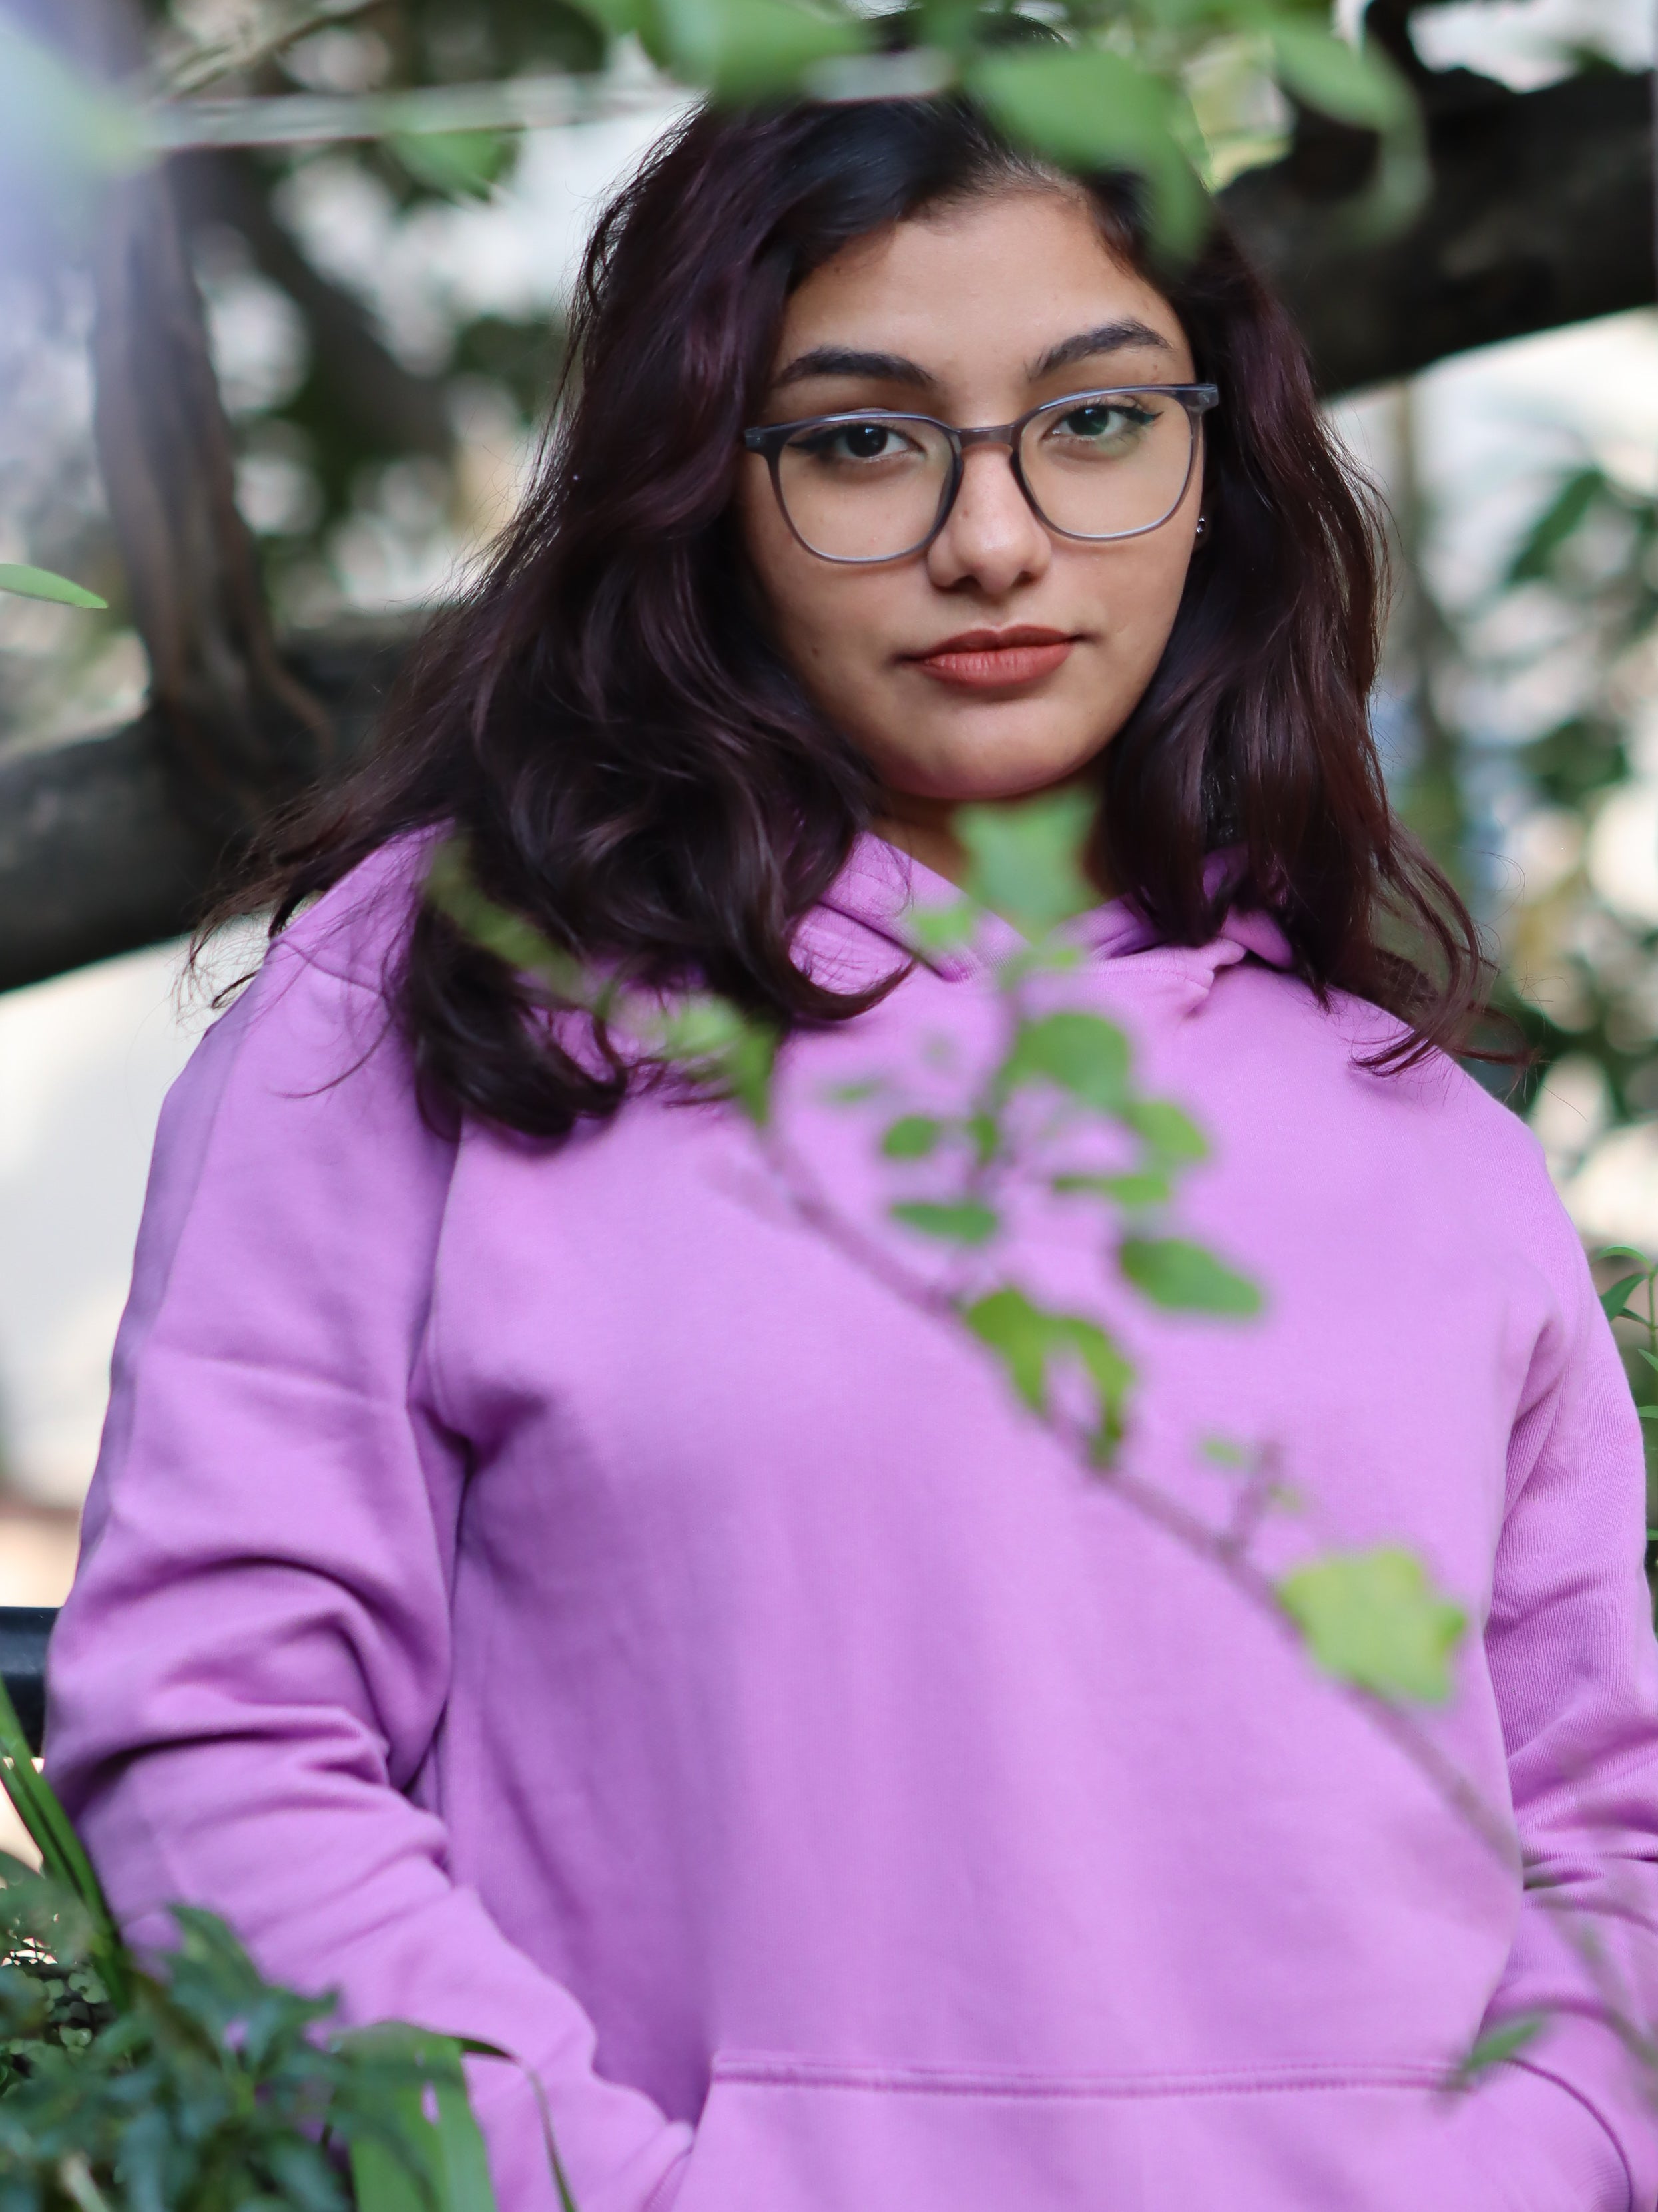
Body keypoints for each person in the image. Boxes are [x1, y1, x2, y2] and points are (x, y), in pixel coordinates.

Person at [45, 95, 1658, 2212]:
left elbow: (1606, 1835)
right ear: (700, 479)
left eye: (1094, 421)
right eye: (864, 439)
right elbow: (219, 1740)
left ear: (1218, 466)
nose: (991, 540)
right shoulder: (426, 1003)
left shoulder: (1412, 1113)